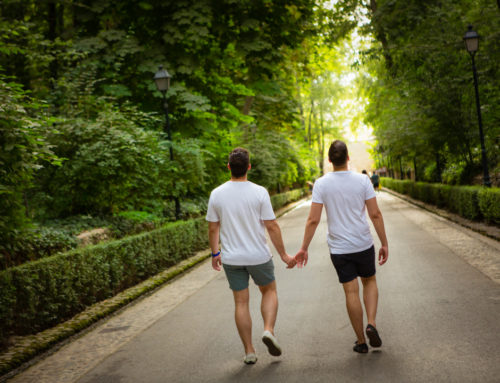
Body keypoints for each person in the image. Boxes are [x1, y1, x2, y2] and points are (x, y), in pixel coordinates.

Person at [295, 140, 389, 354]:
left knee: (351, 291)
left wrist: (304, 248)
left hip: (339, 248)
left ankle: (361, 341)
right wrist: (384, 242)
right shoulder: (363, 181)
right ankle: (371, 323)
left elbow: (313, 220)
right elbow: (375, 214)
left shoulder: (321, 184)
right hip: (363, 243)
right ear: (347, 158)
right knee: (370, 281)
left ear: (330, 160)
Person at [206, 147, 296, 365]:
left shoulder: (217, 194)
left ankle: (249, 351)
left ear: (228, 167)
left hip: (232, 259)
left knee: (241, 302)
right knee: (269, 290)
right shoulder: (259, 192)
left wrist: (215, 252)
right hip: (258, 256)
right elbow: (272, 226)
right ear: (248, 167)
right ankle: (268, 330)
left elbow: (212, 228)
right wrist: (283, 254)